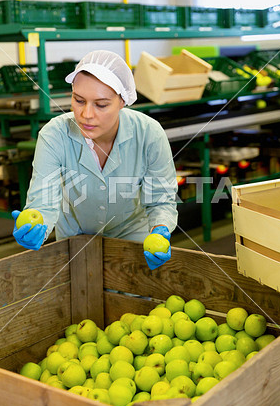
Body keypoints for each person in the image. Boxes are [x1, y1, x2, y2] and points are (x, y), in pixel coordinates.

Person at [12, 50, 178, 270]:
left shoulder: (149, 133)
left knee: (133, 299)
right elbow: (44, 198)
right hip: (75, 236)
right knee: (79, 299)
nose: (86, 114)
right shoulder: (54, 135)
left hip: (132, 234)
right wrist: (38, 223)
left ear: (122, 101)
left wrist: (160, 228)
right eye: (79, 100)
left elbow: (160, 198)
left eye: (101, 105)